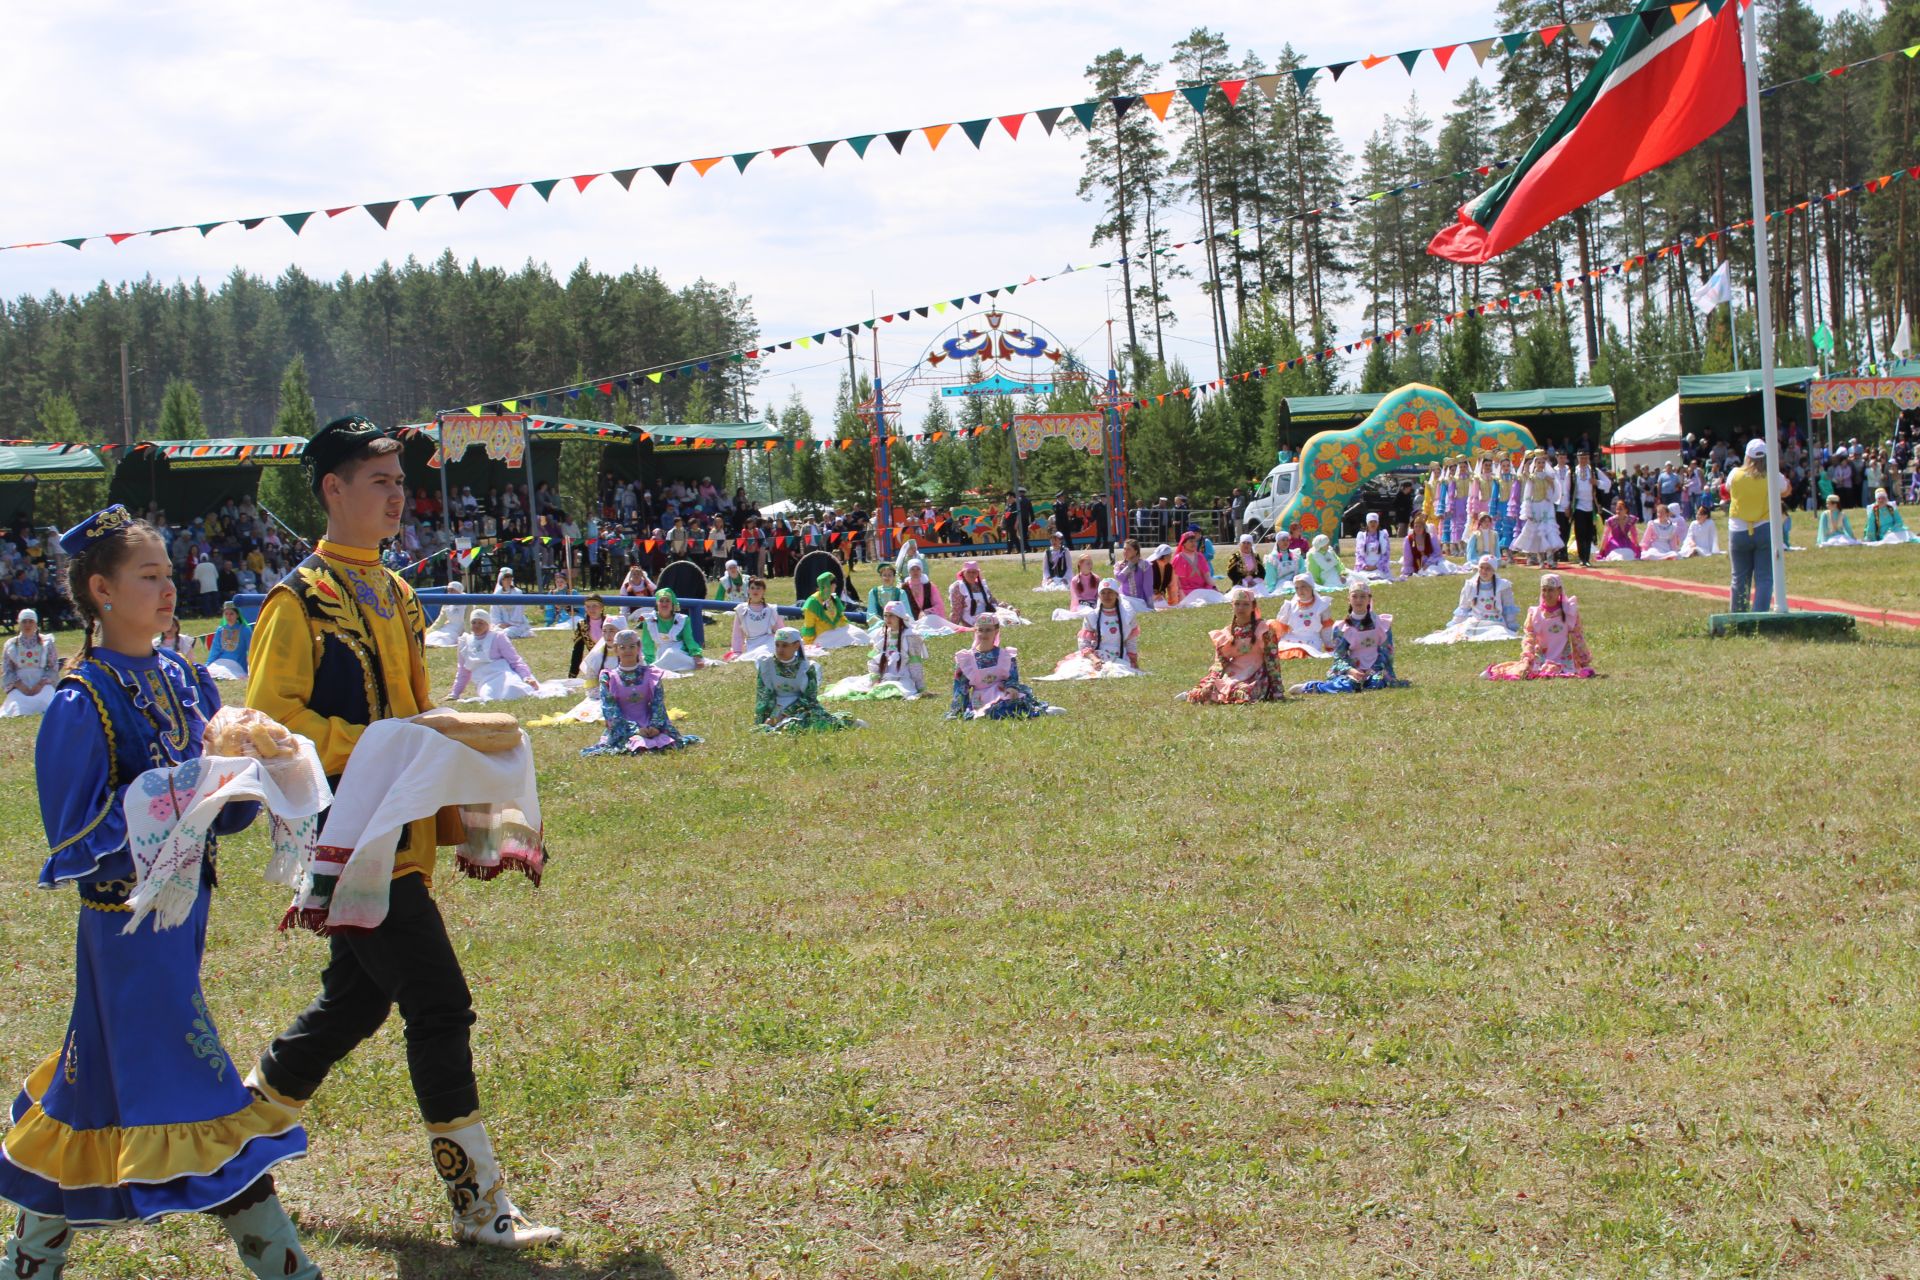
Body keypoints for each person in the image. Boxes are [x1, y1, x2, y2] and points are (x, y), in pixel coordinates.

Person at [244, 418, 558, 1248]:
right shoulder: (297, 602)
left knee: (354, 1002)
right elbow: (271, 722)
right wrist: (385, 744)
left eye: (398, 482)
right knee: (438, 1003)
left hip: (402, 834)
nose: (396, 495)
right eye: (378, 481)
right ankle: (478, 1202)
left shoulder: (398, 593)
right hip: (350, 834)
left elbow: (422, 716)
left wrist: (455, 783)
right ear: (333, 491)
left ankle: (230, 1144)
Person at [1, 506, 320, 1280]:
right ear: (102, 590)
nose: (167, 588)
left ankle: (27, 1265)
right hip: (125, 931)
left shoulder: (185, 677)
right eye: (148, 576)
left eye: (170, 574)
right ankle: (287, 1267)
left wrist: (260, 778)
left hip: (185, 922)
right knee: (198, 1088)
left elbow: (225, 811)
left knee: (89, 1097)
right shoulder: (83, 700)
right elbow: (75, 841)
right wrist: (173, 797)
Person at [582, 629, 700, 755]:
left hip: (649, 723)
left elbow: (658, 704)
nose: (627, 650)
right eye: (623, 647)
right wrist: (635, 730)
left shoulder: (651, 674)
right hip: (623, 725)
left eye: (632, 646)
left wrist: (655, 726)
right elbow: (610, 709)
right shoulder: (608, 677)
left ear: (638, 647)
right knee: (633, 743)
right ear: (616, 649)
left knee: (665, 741)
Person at [1288, 583, 1410, 695]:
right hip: (1353, 669)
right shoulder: (1342, 628)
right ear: (1349, 600)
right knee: (1349, 685)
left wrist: (1373, 669)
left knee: (1375, 684)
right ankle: (1312, 687)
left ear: (1369, 599)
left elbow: (1386, 652)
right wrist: (1351, 671)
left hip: (1375, 668)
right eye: (1355, 596)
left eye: (1363, 596)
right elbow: (1339, 656)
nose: (1359, 600)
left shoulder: (1381, 624)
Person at [1179, 587, 1283, 703]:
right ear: (1232, 605)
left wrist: (1277, 690)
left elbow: (1272, 661)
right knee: (1208, 690)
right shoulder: (1227, 633)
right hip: (1233, 673)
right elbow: (1220, 661)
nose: (1240, 608)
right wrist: (1211, 680)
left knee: (1243, 693)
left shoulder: (1264, 630)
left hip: (1255, 675)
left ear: (1253, 607)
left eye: (1245, 604)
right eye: (1237, 604)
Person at [1482, 574, 1597, 679]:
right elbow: (1529, 638)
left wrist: (1583, 660)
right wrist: (1527, 658)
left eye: (1551, 590)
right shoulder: (1536, 613)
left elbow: (1577, 638)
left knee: (1557, 669)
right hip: (1541, 659)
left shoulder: (1569, 613)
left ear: (1559, 591)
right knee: (1525, 670)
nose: (1547, 594)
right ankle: (1494, 671)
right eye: (1544, 590)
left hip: (1563, 659)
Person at [948, 614, 1059, 720]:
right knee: (990, 712)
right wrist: (958, 710)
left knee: (1012, 704)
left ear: (996, 631)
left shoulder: (1005, 656)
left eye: (988, 630)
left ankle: (1041, 711)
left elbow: (1012, 677)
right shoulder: (967, 659)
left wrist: (1011, 687)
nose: (984, 634)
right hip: (980, 697)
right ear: (975, 631)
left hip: (1001, 692)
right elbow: (961, 688)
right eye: (980, 630)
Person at [754, 628, 861, 732]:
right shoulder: (767, 665)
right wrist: (764, 718)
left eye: (785, 645)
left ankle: (847, 723)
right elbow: (763, 694)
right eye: (777, 645)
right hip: (776, 707)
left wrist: (784, 714)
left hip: (801, 707)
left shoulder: (806, 668)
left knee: (800, 725)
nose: (780, 650)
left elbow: (809, 698)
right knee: (767, 728)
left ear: (796, 646)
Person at [1039, 579, 1140, 681]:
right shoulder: (1092, 616)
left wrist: (1133, 660)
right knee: (1078, 670)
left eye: (1110, 592)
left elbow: (1131, 641)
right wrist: (1094, 659)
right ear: (1099, 596)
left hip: (1120, 656)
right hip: (1098, 655)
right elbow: (1084, 642)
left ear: (1116, 594)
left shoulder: (1127, 616)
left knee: (1120, 671)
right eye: (1103, 593)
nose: (1107, 596)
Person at [1727, 439, 1786, 612]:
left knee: (1739, 578)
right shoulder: (1773, 475)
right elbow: (1786, 488)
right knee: (1765, 578)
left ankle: (1738, 617)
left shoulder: (1735, 474)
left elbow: (1727, 488)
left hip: (1738, 529)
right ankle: (1759, 616)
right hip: (1764, 528)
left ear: (1747, 456)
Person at [826, 602, 929, 700]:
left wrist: (919, 687)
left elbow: (915, 664)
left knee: (894, 689)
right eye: (885, 615)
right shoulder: (881, 634)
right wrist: (876, 679)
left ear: (900, 617)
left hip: (902, 677)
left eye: (892, 615)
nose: (888, 619)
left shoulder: (910, 636)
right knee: (857, 687)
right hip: (883, 675)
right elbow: (875, 660)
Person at [448, 609, 548, 702]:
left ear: (487, 625)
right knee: (490, 695)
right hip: (484, 680)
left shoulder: (497, 637)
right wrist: (455, 693)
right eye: (474, 622)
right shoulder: (464, 642)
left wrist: (526, 677)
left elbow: (515, 660)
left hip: (502, 674)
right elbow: (463, 671)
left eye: (481, 623)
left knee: (514, 688)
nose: (476, 626)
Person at [1416, 556, 1520, 644]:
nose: (1484, 571)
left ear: (1494, 570)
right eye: (1481, 567)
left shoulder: (1502, 586)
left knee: (1498, 632)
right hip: (1476, 620)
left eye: (1488, 568)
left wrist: (1511, 627)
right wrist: (1453, 625)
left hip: (1495, 622)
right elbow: (1463, 608)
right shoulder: (1471, 585)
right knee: (1464, 630)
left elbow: (1508, 609)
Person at [1, 608, 58, 717]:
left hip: (43, 684)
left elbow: (53, 667)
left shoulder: (47, 642)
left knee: (47, 704)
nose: (27, 624)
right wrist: (20, 686)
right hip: (19, 685)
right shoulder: (11, 645)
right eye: (24, 621)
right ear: (19, 623)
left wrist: (40, 684)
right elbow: (7, 670)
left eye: (31, 621)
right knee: (17, 708)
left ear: (36, 624)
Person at [1511, 453, 1561, 567]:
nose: (1541, 464)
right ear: (1535, 464)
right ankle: (1541, 560)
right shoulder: (1532, 477)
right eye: (1539, 462)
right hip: (1535, 506)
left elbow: (1554, 488)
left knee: (1548, 531)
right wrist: (1528, 510)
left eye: (1543, 462)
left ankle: (1550, 559)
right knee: (1537, 533)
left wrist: (1551, 496)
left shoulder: (1548, 477)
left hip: (1546, 505)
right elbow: (1527, 493)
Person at [800, 571, 870, 649]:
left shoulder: (833, 597)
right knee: (846, 639)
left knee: (859, 634)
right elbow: (809, 624)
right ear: (827, 585)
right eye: (834, 584)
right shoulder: (812, 602)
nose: (836, 586)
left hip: (838, 628)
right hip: (823, 633)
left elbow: (840, 616)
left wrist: (847, 626)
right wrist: (808, 642)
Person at [642, 588, 707, 672]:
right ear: (657, 604)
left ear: (672, 604)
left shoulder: (682, 619)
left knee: (670, 654)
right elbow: (647, 643)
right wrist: (648, 660)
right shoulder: (649, 620)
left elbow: (689, 640)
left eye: (667, 601)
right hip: (661, 651)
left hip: (679, 650)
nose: (664, 604)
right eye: (661, 601)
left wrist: (696, 655)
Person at [1269, 575, 1334, 659]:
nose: (1300, 590)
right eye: (1297, 588)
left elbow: (1326, 629)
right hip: (1293, 636)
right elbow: (1281, 626)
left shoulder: (1321, 605)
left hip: (1311, 639)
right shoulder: (1290, 605)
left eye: (1303, 586)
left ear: (1311, 587)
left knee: (1304, 651)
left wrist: (1329, 645)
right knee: (1283, 649)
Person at [948, 560, 1024, 629]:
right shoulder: (958, 587)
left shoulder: (982, 585)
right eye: (968, 572)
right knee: (994, 624)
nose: (971, 574)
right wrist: (953, 627)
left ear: (977, 573)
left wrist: (1010, 608)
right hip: (971, 617)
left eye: (974, 572)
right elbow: (956, 609)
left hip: (988, 613)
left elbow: (993, 601)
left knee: (1009, 619)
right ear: (963, 573)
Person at [1567, 453, 1613, 566]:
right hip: (1578, 505)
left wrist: (1596, 482)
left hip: (1590, 506)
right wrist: (1567, 506)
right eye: (1581, 458)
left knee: (1589, 533)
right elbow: (1567, 489)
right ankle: (1582, 557)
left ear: (1588, 459)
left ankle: (1586, 558)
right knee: (1579, 532)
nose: (1583, 460)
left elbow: (1608, 484)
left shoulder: (1594, 471)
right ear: (1577, 459)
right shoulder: (1573, 472)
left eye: (1585, 458)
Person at [900, 558, 964, 635]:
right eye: (912, 569)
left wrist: (926, 612)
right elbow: (901, 606)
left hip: (927, 618)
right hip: (910, 618)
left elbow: (939, 604)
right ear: (908, 571)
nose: (915, 571)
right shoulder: (903, 587)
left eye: (918, 569)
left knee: (929, 620)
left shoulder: (929, 586)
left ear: (921, 570)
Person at [728, 577, 784, 660]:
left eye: (758, 588)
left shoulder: (771, 609)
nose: (755, 591)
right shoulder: (741, 609)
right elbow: (737, 633)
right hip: (752, 643)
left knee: (766, 652)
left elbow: (781, 630)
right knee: (758, 654)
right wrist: (737, 651)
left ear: (763, 591)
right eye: (752, 588)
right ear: (748, 590)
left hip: (769, 641)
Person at [567, 593, 621, 679]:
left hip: (616, 663)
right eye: (588, 606)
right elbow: (577, 652)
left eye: (594, 606)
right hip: (595, 666)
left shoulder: (611, 621)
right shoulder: (582, 626)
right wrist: (572, 675)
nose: (591, 609)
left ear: (602, 607)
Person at [1168, 530, 1226, 607]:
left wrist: (1215, 588)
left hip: (1201, 588)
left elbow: (1207, 577)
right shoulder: (1178, 558)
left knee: (1215, 597)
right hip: (1186, 590)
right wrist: (1181, 593)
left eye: (1195, 541)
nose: (1194, 544)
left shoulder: (1200, 556)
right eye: (1191, 541)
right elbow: (1176, 580)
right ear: (1184, 543)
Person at [205, 599, 252, 680]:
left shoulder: (245, 630)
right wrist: (207, 665)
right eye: (226, 614)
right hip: (221, 661)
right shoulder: (220, 630)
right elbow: (215, 650)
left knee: (228, 674)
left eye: (231, 614)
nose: (228, 617)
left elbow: (251, 650)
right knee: (212, 671)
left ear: (237, 615)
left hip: (237, 663)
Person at [488, 567, 533, 638]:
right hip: (500, 624)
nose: (508, 580)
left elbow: (519, 612)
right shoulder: (496, 594)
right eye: (505, 578)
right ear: (501, 580)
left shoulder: (518, 593)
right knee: (494, 632)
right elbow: (494, 613)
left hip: (516, 625)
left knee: (507, 632)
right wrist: (500, 623)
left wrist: (511, 624)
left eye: (509, 578)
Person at [1351, 512, 1395, 584]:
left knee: (1378, 576)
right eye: (1371, 522)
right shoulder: (1362, 536)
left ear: (1378, 523)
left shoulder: (1383, 535)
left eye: (1375, 522)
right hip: (1365, 568)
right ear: (1367, 523)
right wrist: (1364, 566)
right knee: (1361, 578)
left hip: (1379, 568)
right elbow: (1358, 555)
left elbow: (1386, 555)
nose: (1373, 524)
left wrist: (1376, 566)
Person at [1114, 539, 1155, 611]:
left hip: (1139, 600)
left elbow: (1147, 586)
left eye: (1129, 549)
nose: (1125, 552)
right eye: (1124, 549)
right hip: (1124, 599)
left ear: (1136, 551)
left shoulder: (1145, 564)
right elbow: (1119, 578)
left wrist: (1150, 605)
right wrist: (1130, 565)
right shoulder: (1119, 564)